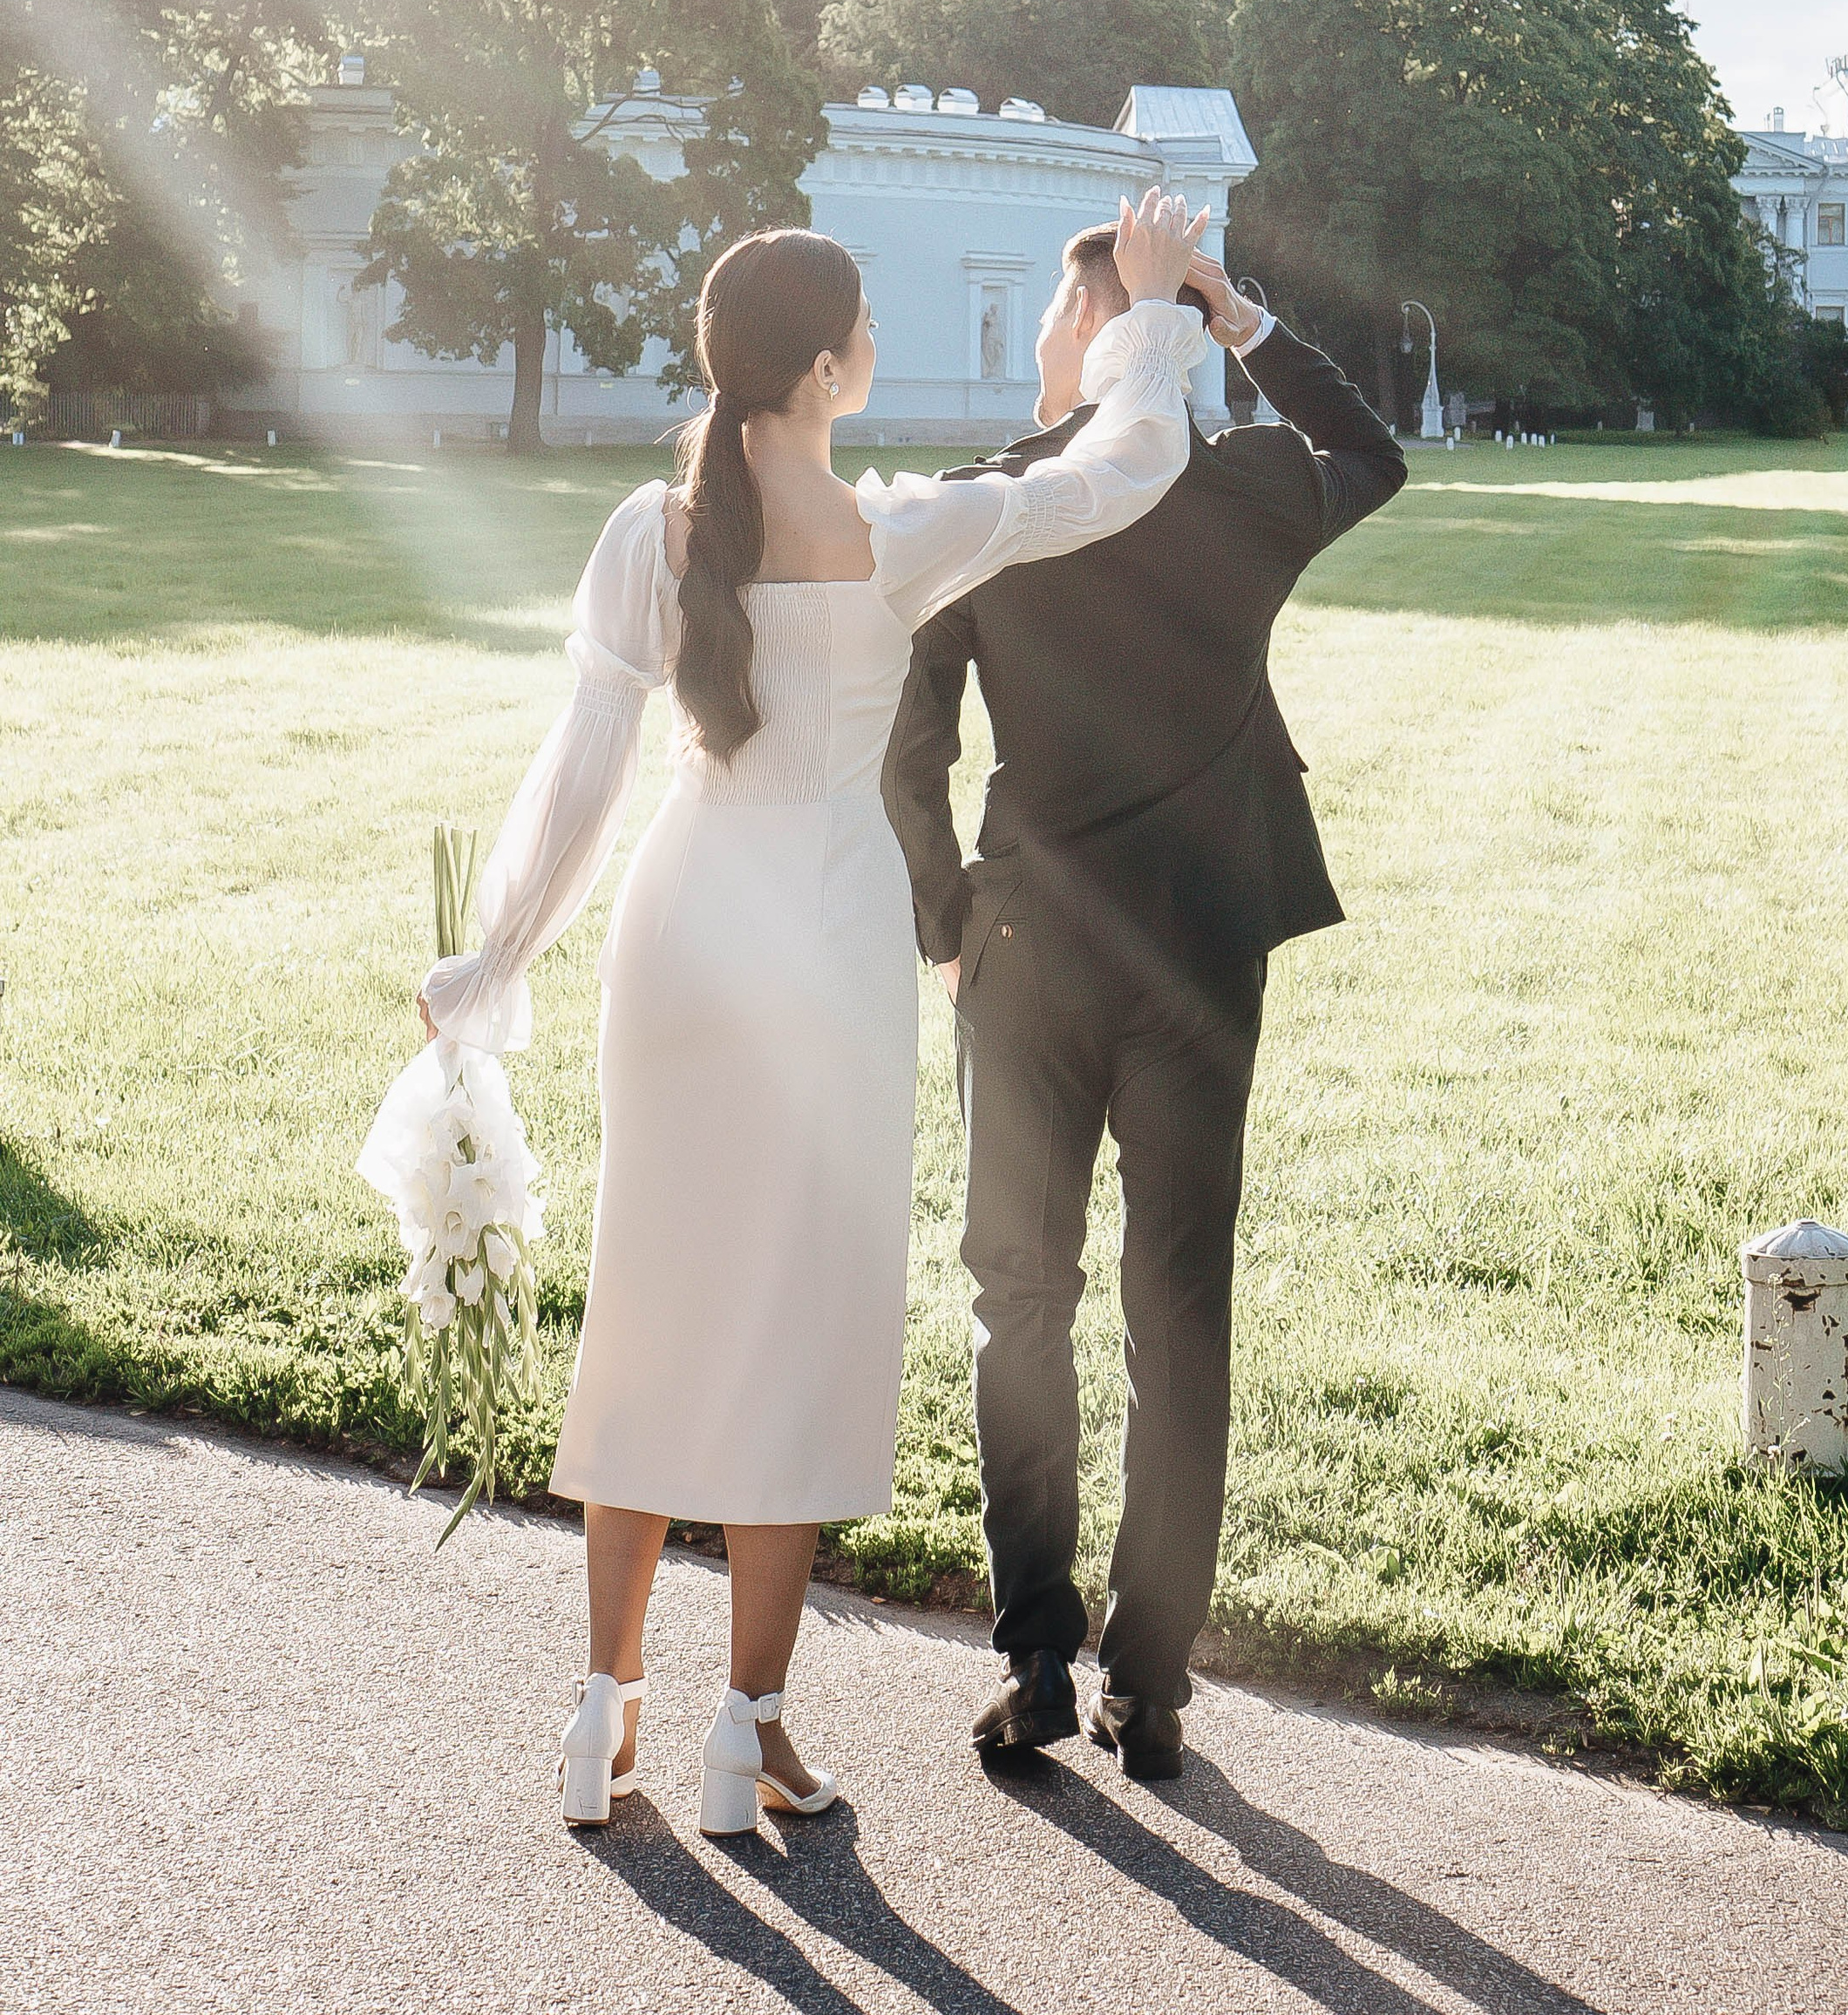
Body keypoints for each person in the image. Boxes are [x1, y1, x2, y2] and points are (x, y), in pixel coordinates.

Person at [374, 192, 1208, 1831]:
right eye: (868, 334)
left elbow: (584, 783)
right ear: (828, 370)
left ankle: (600, 1711)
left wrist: (494, 967)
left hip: (682, 934)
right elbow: (1124, 472)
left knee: (656, 1300)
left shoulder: (653, 528)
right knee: (801, 1325)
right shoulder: (901, 531)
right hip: (825, 943)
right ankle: (745, 1730)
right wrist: (1156, 314)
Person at [884, 235, 1407, 1783]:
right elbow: (1370, 454)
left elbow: (911, 744)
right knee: (1178, 1318)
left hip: (1026, 948)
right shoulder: (1244, 487)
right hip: (1197, 954)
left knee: (1017, 1301)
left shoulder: (996, 502)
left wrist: (943, 923)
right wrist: (1238, 319)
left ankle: (1039, 1654)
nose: (1043, 325)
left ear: (1103, 334)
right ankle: (1150, 1680)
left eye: (1063, 301)